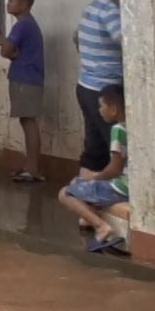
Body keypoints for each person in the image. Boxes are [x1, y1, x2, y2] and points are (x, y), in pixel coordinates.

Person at [58, 84, 130, 253]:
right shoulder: (134, 126)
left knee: (65, 193)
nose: (99, 110)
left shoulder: (118, 130)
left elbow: (115, 169)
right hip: (130, 185)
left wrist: (94, 177)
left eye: (101, 106)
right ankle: (91, 221)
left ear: (113, 109)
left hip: (122, 187)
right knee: (82, 185)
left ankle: (101, 227)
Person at [74, 0, 122, 174]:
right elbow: (128, 41)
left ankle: (83, 197)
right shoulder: (113, 11)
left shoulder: (94, 6)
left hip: (87, 86)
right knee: (119, 151)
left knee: (95, 151)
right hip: (106, 91)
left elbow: (75, 37)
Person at [2, 0, 46, 183]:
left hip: (25, 78)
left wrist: (9, 52)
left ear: (24, 4)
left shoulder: (22, 25)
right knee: (26, 121)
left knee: (28, 122)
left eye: (12, 0)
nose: (8, 4)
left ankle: (33, 169)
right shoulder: (27, 24)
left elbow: (5, 50)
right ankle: (30, 166)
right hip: (28, 77)